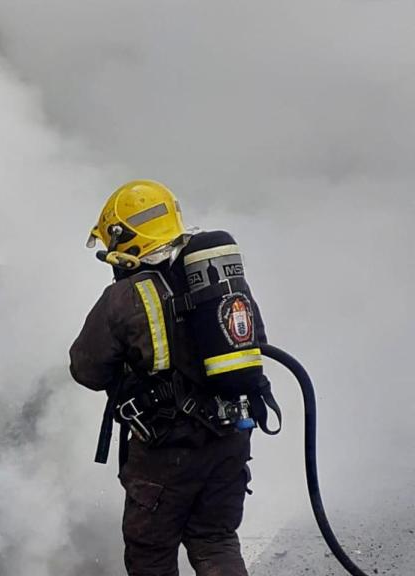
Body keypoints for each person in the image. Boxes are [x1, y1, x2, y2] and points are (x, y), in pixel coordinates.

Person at [69, 180, 279, 576]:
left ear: (125, 240)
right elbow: (255, 343)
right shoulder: (218, 282)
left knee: (151, 556)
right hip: (230, 439)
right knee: (215, 541)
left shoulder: (124, 298)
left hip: (166, 455)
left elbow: (86, 369)